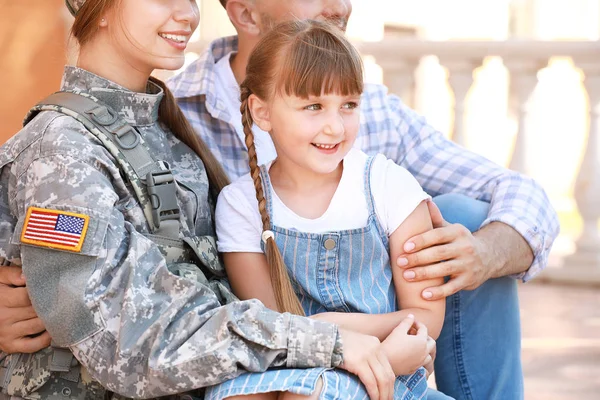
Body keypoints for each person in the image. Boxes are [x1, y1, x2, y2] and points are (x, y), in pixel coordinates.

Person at [0, 0, 559, 398]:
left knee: (461, 218)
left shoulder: (162, 122)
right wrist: (327, 342)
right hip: (182, 374)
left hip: (244, 365)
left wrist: (346, 339)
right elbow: (122, 333)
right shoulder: (66, 145)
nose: (189, 14)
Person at [204, 19, 450, 400]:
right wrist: (350, 332)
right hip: (291, 360)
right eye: (314, 106)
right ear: (262, 111)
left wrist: (329, 325)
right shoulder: (242, 205)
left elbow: (425, 318)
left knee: (311, 395)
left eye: (348, 105)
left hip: (388, 368)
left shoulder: (389, 186)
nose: (335, 126)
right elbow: (273, 330)